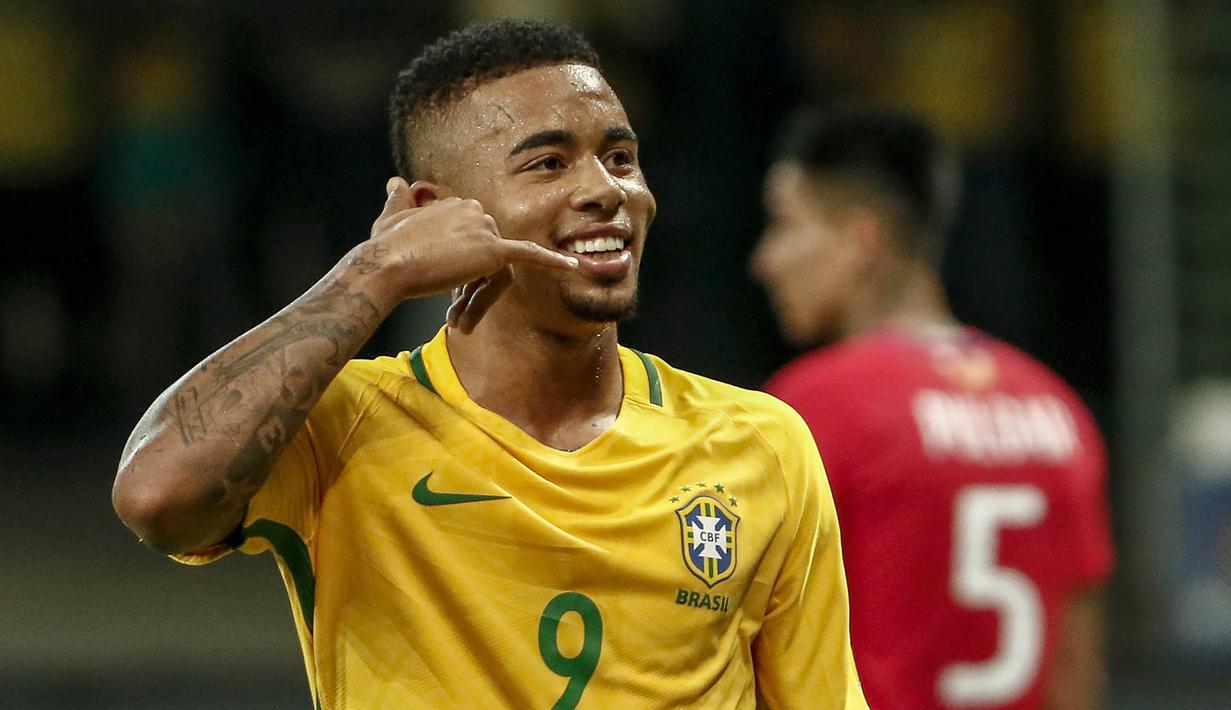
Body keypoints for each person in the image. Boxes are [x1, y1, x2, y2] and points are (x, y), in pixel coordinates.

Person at [112, 20, 867, 710]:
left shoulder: (759, 443)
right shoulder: (345, 426)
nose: (605, 190)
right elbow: (156, 496)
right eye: (547, 163)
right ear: (436, 212)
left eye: (620, 157)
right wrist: (372, 272)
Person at [751, 106, 1115, 710]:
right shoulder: (1056, 411)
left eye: (785, 225)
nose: (765, 259)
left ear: (861, 240)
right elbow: (1075, 675)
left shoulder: (810, 409)